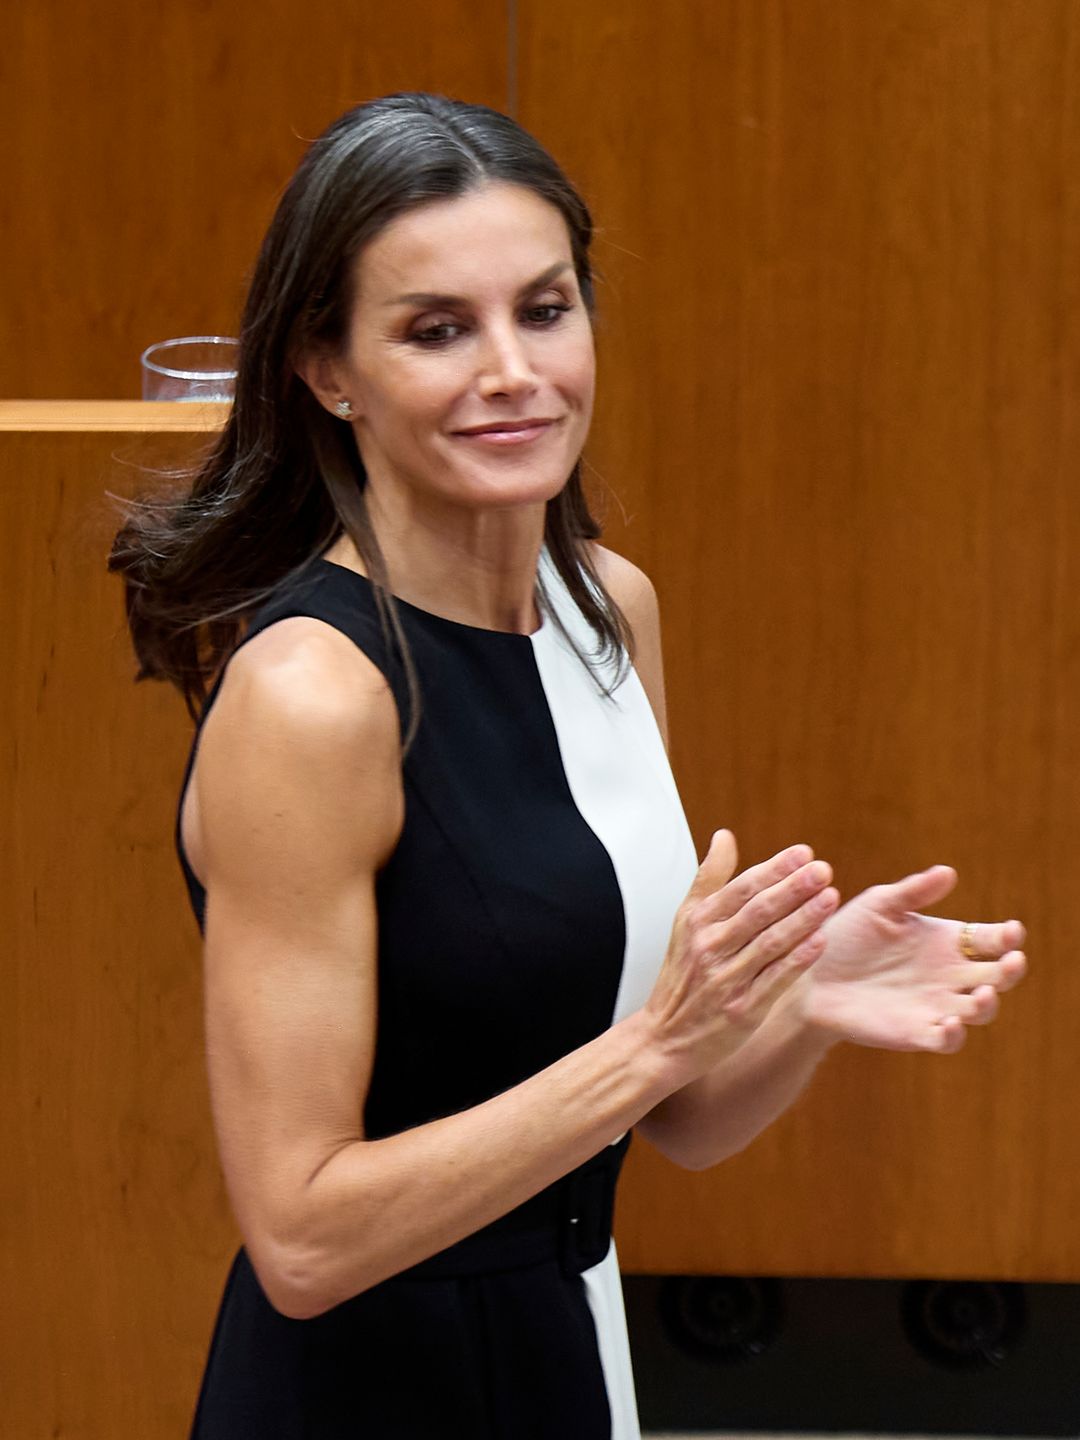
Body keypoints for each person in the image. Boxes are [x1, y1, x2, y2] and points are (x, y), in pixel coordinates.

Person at [109, 93, 1026, 1440]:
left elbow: (680, 1118)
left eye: (544, 309)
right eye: (437, 330)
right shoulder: (312, 697)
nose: (513, 371)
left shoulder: (609, 609)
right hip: (370, 1392)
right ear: (325, 368)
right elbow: (303, 1241)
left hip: (569, 1345)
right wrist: (660, 1040)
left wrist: (791, 1006)